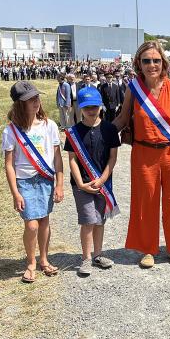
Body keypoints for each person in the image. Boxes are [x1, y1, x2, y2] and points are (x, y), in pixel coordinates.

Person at [114, 40, 170, 269]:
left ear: (163, 62)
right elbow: (121, 118)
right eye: (146, 60)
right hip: (143, 154)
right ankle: (148, 249)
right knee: (146, 202)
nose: (152, 65)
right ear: (139, 63)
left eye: (156, 60)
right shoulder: (133, 88)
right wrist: (99, 134)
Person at [2, 81, 64, 283]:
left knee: (44, 221)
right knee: (32, 225)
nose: (36, 102)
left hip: (45, 179)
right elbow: (9, 164)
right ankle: (30, 263)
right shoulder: (11, 131)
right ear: (20, 104)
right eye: (30, 100)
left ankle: (44, 260)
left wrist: (60, 183)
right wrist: (15, 193)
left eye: (37, 97)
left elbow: (57, 157)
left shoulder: (50, 125)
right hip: (25, 182)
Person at [64, 86, 119, 276]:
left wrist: (103, 178)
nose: (91, 111)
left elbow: (113, 157)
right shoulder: (74, 132)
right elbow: (72, 159)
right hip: (82, 186)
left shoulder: (110, 129)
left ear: (101, 107)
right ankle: (86, 258)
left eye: (94, 107)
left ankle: (98, 255)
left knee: (99, 221)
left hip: (102, 184)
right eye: (87, 107)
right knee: (88, 221)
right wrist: (80, 183)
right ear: (80, 108)